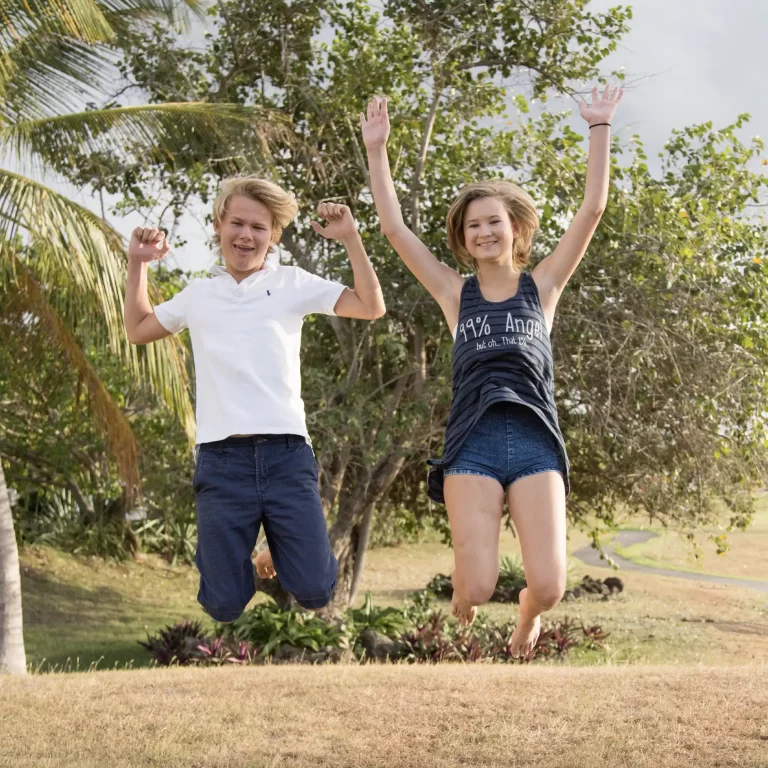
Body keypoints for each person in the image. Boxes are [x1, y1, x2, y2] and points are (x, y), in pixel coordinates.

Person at [360, 86, 623, 655]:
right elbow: (395, 231)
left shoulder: (543, 287)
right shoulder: (455, 295)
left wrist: (599, 127)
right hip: (473, 445)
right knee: (475, 586)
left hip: (535, 445)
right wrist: (377, 152)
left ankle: (527, 616)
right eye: (473, 225)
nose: (484, 232)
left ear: (514, 229)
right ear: (463, 237)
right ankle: (463, 605)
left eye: (493, 222)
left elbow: (592, 210)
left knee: (550, 588)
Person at [124, 176, 386, 622]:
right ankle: (244, 552)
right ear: (218, 226)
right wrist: (137, 263)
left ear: (273, 235)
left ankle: (273, 550)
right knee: (223, 605)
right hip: (222, 460)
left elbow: (370, 305)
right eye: (238, 223)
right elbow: (138, 329)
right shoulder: (199, 294)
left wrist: (351, 238)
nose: (247, 235)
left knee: (315, 590)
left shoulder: (292, 283)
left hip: (286, 455)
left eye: (259, 227)